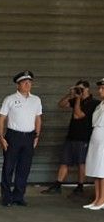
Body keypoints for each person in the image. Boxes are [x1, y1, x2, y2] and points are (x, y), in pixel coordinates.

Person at [42, 80, 97, 196]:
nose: (80, 91)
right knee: (64, 161)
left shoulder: (93, 103)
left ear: (87, 89)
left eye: (81, 89)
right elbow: (61, 104)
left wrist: (77, 99)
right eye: (78, 89)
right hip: (71, 136)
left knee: (81, 163)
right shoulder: (76, 99)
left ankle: (80, 186)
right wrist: (70, 94)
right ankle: (58, 184)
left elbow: (78, 115)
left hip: (83, 138)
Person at [0, 70, 42, 206]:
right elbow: (1, 118)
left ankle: (19, 196)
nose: (28, 84)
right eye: (24, 82)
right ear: (18, 84)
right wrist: (1, 137)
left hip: (29, 136)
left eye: (29, 82)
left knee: (24, 168)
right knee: (8, 167)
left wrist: (37, 136)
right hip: (13, 136)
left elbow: (38, 118)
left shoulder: (36, 100)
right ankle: (6, 197)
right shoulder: (10, 99)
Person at [83, 78, 104, 209]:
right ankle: (96, 198)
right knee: (96, 170)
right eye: (100, 88)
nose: (100, 91)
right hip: (96, 139)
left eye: (103, 88)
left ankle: (102, 199)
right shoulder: (100, 105)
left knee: (102, 171)